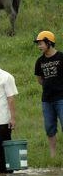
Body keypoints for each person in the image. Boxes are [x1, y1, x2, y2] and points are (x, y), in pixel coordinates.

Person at [33, 30, 63, 158]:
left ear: (49, 43)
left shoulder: (61, 57)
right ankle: (53, 155)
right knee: (49, 128)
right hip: (47, 100)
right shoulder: (39, 61)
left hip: (62, 98)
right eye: (38, 44)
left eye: (41, 44)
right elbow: (39, 79)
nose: (39, 46)